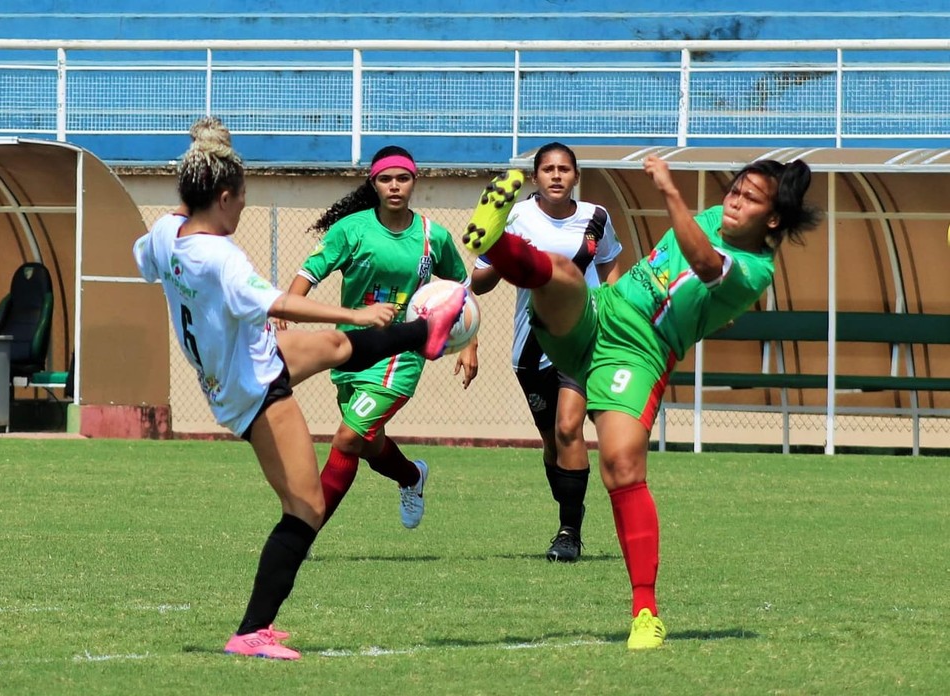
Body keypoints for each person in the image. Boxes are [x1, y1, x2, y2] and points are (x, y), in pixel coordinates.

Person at [132, 121, 466, 661]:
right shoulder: (220, 258)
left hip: (247, 357)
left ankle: (424, 332)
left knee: (336, 346)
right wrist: (354, 311)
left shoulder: (166, 232)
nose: (243, 207)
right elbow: (279, 304)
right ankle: (252, 631)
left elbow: (142, 257)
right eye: (241, 198)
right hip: (251, 386)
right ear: (222, 198)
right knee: (306, 507)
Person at [462, 155, 819, 649]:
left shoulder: (755, 269)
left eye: (749, 199)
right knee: (563, 273)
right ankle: (494, 241)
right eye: (734, 190)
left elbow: (703, 264)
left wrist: (671, 193)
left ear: (772, 219)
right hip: (601, 312)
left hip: (639, 351)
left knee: (622, 464)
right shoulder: (715, 218)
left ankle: (645, 613)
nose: (734, 202)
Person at [288, 145, 477, 530]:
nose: (395, 186)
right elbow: (308, 274)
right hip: (351, 353)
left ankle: (302, 531)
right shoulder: (351, 230)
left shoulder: (431, 236)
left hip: (402, 356)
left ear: (414, 182)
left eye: (402, 178)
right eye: (386, 179)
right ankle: (411, 477)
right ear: (373, 183)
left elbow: (461, 289)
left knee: (345, 439)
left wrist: (469, 343)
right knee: (369, 445)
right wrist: (285, 311)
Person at [470, 143, 624, 563]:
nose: (556, 175)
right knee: (553, 442)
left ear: (576, 176)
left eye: (564, 169)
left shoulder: (596, 217)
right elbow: (479, 282)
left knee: (570, 427)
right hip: (532, 341)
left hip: (584, 338)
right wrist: (502, 251)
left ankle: (569, 532)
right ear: (535, 177)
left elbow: (610, 262)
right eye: (548, 169)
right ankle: (569, 512)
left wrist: (610, 304)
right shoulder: (517, 216)